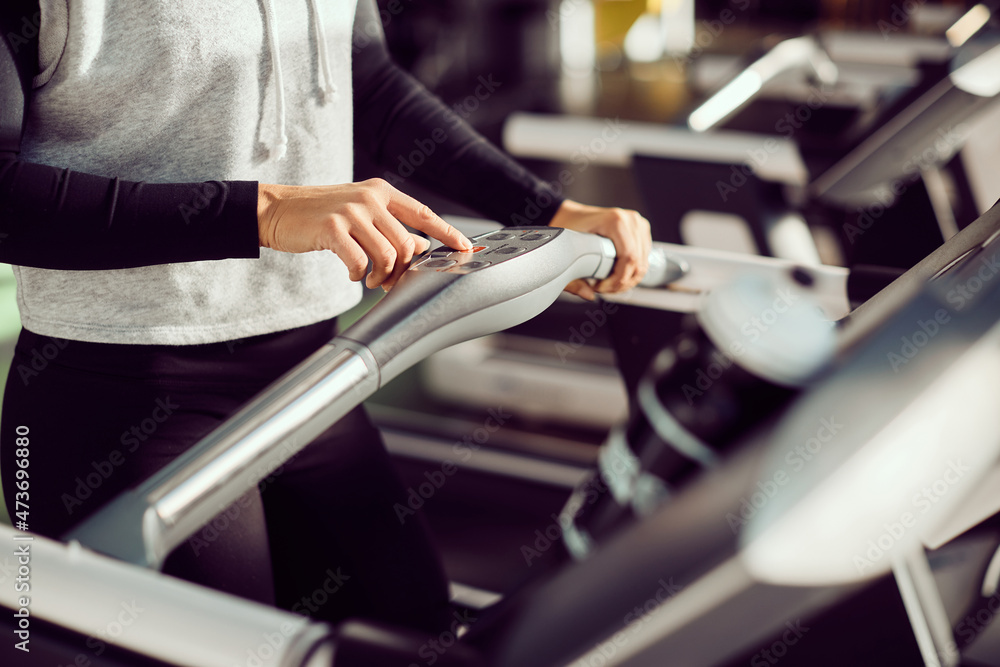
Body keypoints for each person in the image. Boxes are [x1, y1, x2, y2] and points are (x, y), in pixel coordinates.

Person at [0, 0, 651, 633]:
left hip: (310, 378)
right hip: (117, 392)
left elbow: (365, 82)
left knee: (412, 637)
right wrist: (265, 212)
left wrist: (543, 208)